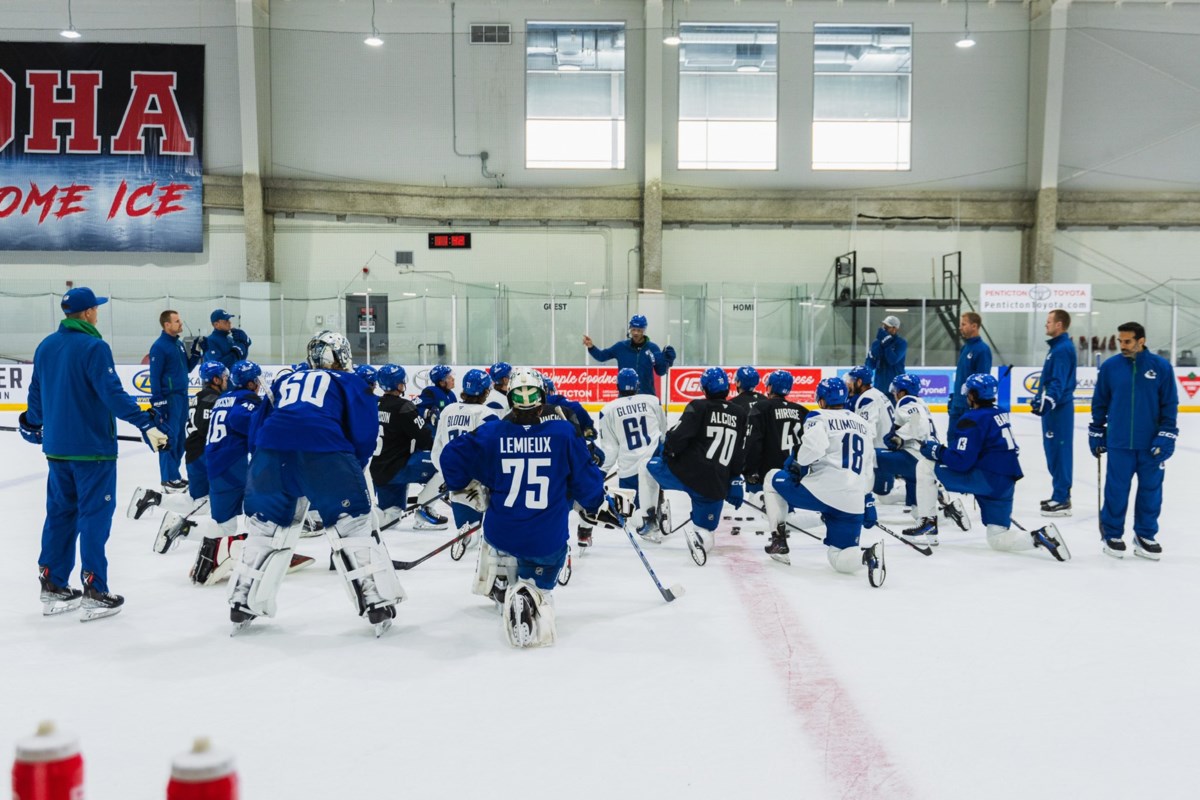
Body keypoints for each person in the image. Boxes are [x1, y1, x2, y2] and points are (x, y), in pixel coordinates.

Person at [226, 330, 403, 636]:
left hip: (270, 456)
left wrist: (263, 467)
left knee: (265, 529)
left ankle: (241, 600)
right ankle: (374, 602)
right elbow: (363, 433)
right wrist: (350, 471)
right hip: (325, 454)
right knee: (354, 526)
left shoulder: (284, 381)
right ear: (343, 355)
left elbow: (258, 427)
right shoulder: (350, 381)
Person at [19, 287, 168, 620]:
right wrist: (145, 423)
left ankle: (53, 583)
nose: (98, 313)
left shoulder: (46, 346)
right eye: (96, 309)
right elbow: (112, 394)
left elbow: (36, 397)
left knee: (60, 515)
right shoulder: (94, 347)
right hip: (92, 452)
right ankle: (94, 589)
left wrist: (31, 423)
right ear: (87, 313)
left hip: (57, 451)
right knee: (93, 517)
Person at [439, 367, 616, 647]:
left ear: (510, 400)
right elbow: (586, 483)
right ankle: (532, 593)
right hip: (546, 541)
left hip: (500, 534)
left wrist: (464, 484)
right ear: (542, 398)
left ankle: (500, 581)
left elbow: (450, 456)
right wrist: (598, 503)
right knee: (546, 568)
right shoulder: (562, 433)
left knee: (497, 534)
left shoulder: (493, 432)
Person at [187, 361, 314, 585]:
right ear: (251, 382)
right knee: (262, 514)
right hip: (233, 466)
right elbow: (242, 421)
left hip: (217, 464)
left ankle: (202, 552)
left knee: (224, 522)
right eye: (257, 380)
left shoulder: (223, 399)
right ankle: (265, 553)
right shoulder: (244, 400)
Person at [921, 374, 1069, 561]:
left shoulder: (972, 418)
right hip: (1005, 483)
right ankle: (1040, 537)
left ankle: (926, 523)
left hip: (985, 479)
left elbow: (960, 462)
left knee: (925, 466)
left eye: (968, 393)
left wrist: (937, 450)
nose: (966, 397)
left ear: (973, 395)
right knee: (997, 538)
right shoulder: (1000, 412)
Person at [760, 377, 885, 586]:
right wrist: (867, 499)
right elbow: (868, 466)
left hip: (822, 492)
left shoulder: (818, 416)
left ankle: (778, 540)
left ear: (822, 399)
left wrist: (797, 462)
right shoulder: (862, 424)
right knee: (839, 556)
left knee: (771, 477)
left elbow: (811, 452)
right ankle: (867, 556)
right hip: (853, 500)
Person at [637, 367, 748, 566]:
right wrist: (735, 479)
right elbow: (739, 452)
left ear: (704, 389)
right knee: (706, 532)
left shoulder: (698, 406)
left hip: (685, 473)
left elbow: (677, 438)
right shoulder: (740, 413)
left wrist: (668, 452)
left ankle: (650, 521)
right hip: (714, 484)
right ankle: (700, 538)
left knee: (646, 467)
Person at [1089, 322, 1179, 560]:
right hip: (1119, 442)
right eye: (1120, 341)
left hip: (1151, 444)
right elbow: (1100, 401)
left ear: (1141, 340)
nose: (1123, 346)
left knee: (1151, 491)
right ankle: (1112, 533)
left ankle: (1145, 535)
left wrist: (1167, 434)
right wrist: (1097, 430)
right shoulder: (1110, 367)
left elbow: (1169, 404)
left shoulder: (1160, 367)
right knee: (1116, 490)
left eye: (1127, 341)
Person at [127, 360, 227, 524]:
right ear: (215, 380)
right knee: (210, 502)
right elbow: (206, 429)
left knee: (198, 501)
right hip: (204, 457)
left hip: (195, 455)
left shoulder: (199, 397)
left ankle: (153, 498)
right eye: (223, 377)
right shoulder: (212, 399)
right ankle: (181, 527)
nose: (226, 380)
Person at [431, 368, 502, 551]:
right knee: (485, 530)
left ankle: (467, 531)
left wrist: (447, 474)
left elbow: (437, 448)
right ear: (486, 391)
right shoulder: (486, 414)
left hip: (454, 477)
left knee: (468, 529)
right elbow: (494, 451)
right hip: (478, 480)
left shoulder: (448, 410)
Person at [371, 364, 449, 530]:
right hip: (399, 467)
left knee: (391, 517)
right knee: (448, 464)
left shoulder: (373, 404)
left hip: (378, 470)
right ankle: (424, 510)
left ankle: (362, 515)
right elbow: (424, 439)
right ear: (399, 385)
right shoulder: (403, 407)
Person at [595, 367, 668, 539]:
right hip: (654, 463)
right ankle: (659, 507)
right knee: (652, 486)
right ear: (638, 384)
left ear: (617, 386)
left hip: (628, 471)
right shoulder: (652, 400)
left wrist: (599, 472)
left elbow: (610, 450)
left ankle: (649, 519)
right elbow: (663, 433)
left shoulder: (608, 410)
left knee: (630, 515)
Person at [876, 374, 942, 545]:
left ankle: (863, 503)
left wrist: (898, 437)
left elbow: (917, 425)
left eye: (897, 390)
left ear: (903, 391)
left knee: (872, 456)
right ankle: (935, 518)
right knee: (916, 504)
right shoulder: (921, 403)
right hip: (927, 456)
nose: (895, 393)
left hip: (917, 456)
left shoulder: (906, 401)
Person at [149, 310, 203, 493]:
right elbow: (154, 377)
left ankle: (175, 475)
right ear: (167, 325)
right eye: (177, 321)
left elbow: (186, 369)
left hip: (182, 397)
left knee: (180, 439)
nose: (181, 323)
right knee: (167, 439)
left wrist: (195, 354)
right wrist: (158, 402)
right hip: (168, 399)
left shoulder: (178, 344)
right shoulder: (159, 347)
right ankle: (167, 478)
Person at [1032, 309, 1077, 516]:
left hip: (1059, 410)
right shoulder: (1057, 348)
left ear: (1059, 325)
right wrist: (1040, 399)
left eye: (1049, 321)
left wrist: (1048, 401)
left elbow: (1058, 381)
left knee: (1059, 452)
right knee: (1052, 451)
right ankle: (1058, 493)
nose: (1046, 325)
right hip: (1054, 409)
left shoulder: (1061, 349)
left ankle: (1062, 498)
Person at [744, 370, 809, 493]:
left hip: (769, 475)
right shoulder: (802, 411)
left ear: (770, 387)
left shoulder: (761, 408)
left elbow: (753, 442)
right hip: (794, 473)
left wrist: (750, 470)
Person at [583, 315, 676, 396]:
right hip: (625, 396)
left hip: (646, 395)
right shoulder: (621, 347)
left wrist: (667, 361)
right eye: (633, 329)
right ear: (630, 329)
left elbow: (660, 371)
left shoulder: (653, 348)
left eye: (639, 330)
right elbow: (601, 356)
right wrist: (591, 347)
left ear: (644, 330)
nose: (635, 333)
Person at [845, 365, 895, 496]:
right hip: (886, 450)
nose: (849, 384)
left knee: (882, 494)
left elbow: (868, 431)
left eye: (851, 381)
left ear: (859, 382)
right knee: (880, 493)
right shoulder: (876, 393)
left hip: (880, 455)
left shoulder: (868, 399)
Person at [948, 312, 993, 440]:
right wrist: (954, 397)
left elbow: (982, 382)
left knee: (967, 441)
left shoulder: (982, 350)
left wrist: (976, 405)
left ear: (974, 326)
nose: (960, 327)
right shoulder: (965, 348)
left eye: (963, 324)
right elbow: (962, 376)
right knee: (952, 438)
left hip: (970, 408)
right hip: (957, 405)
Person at [865, 315, 907, 401]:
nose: (884, 329)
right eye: (883, 326)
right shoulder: (877, 343)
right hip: (879, 386)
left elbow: (892, 360)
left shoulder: (901, 343)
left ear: (895, 329)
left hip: (895, 388)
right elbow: (870, 365)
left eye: (887, 327)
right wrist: (873, 355)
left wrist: (886, 344)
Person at [417, 364, 457, 429]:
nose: (453, 379)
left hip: (447, 433)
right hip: (433, 435)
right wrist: (428, 413)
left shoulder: (451, 394)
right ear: (442, 382)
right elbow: (413, 407)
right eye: (449, 378)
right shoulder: (431, 392)